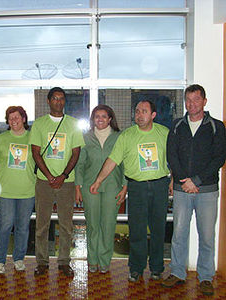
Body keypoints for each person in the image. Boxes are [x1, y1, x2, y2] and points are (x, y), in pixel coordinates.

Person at [90, 100, 169, 282]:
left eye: (144, 111)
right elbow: (112, 160)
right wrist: (98, 180)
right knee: (137, 230)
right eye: (137, 111)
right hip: (137, 187)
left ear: (153, 115)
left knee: (158, 229)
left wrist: (173, 179)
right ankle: (136, 268)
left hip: (159, 186)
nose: (139, 115)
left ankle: (157, 268)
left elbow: (175, 157)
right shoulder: (127, 136)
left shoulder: (164, 133)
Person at [162, 84, 226, 296]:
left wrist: (196, 181)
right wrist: (183, 180)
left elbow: (219, 158)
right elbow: (171, 155)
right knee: (179, 233)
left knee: (206, 235)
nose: (191, 104)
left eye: (196, 100)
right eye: (188, 100)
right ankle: (178, 272)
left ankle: (206, 276)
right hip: (182, 189)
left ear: (204, 101)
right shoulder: (177, 125)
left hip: (206, 190)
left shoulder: (216, 126)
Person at [29, 87, 85, 277]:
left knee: (66, 224)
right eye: (55, 98)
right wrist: (50, 176)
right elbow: (35, 153)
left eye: (61, 99)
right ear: (48, 101)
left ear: (64, 102)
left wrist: (62, 175)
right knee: (42, 224)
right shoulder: (39, 124)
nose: (58, 102)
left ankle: (63, 262)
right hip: (44, 182)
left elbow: (76, 153)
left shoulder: (73, 124)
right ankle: (42, 262)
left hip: (67, 182)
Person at [74, 105, 127, 274]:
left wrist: (125, 186)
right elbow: (80, 164)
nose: (100, 119)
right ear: (92, 119)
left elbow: (125, 163)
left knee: (108, 225)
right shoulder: (86, 138)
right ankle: (93, 260)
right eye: (97, 116)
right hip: (90, 187)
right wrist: (77, 187)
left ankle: (104, 261)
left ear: (110, 119)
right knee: (93, 225)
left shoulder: (120, 137)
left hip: (113, 186)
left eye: (104, 116)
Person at [0, 106, 36, 274]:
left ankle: (19, 258)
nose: (14, 120)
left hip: (27, 191)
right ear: (7, 121)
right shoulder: (1, 139)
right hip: (5, 192)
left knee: (23, 227)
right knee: (5, 225)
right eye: (10, 118)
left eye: (17, 117)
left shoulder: (33, 138)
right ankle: (0, 261)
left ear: (24, 118)